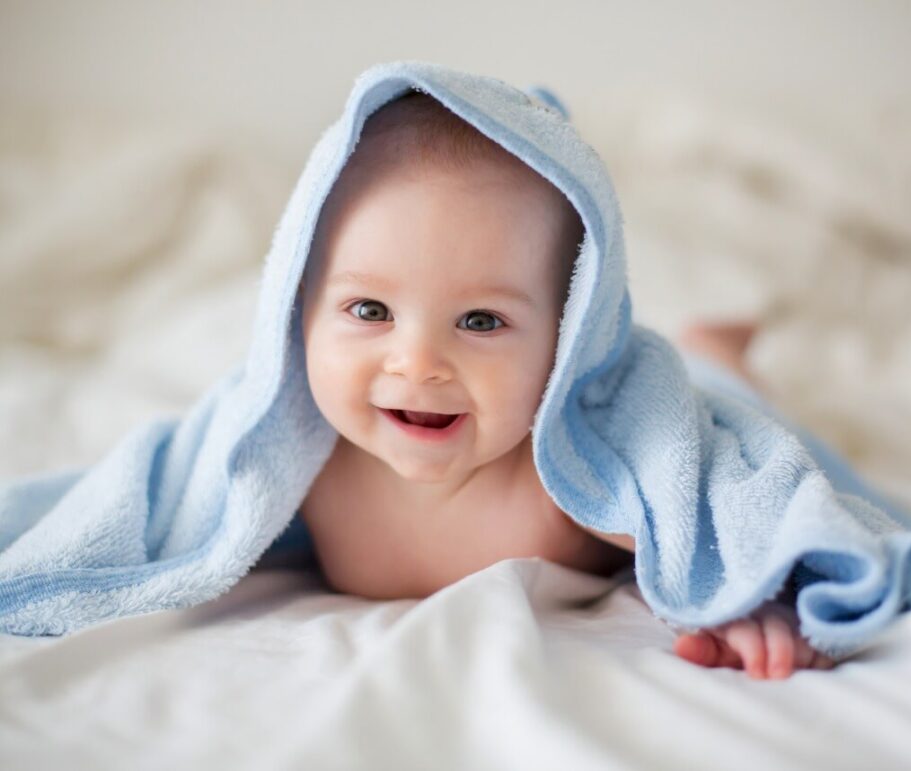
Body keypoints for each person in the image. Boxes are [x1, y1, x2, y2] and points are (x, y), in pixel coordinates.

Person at [297, 92, 834, 680]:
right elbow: (192, 497)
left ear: (566, 340)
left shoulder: (574, 475)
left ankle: (714, 351)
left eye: (481, 321)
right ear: (300, 310)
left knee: (724, 386)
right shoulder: (304, 461)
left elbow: (718, 514)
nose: (418, 363)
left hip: (698, 389)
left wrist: (753, 597)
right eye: (371, 310)